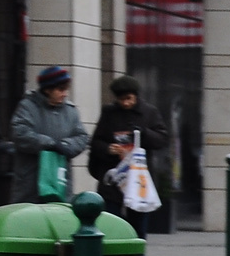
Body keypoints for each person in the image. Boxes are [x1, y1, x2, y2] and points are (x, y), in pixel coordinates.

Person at [89, 74, 168, 244]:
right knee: (110, 225)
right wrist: (108, 148)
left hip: (139, 181)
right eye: (121, 99)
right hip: (113, 179)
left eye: (129, 99)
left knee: (138, 229)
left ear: (136, 96)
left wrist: (144, 132)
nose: (125, 103)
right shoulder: (109, 113)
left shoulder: (149, 112)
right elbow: (96, 141)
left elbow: (162, 139)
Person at [11, 65, 89, 203]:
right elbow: (20, 133)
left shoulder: (70, 111)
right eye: (60, 90)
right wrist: (49, 144)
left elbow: (82, 137)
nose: (64, 94)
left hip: (60, 182)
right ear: (47, 90)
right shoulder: (27, 107)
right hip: (31, 182)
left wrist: (66, 145)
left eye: (66, 90)